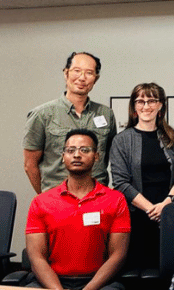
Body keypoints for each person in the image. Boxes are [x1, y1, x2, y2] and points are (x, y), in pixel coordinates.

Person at [24, 129, 130, 290]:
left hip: (99, 282)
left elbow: (118, 256)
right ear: (63, 156)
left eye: (85, 150)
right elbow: (36, 257)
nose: (77, 155)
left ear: (96, 156)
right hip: (51, 281)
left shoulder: (115, 200)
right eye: (70, 150)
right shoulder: (41, 202)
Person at [110, 83, 174, 270]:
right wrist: (151, 209)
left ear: (160, 105)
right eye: (141, 101)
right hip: (136, 217)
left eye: (152, 100)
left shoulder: (172, 138)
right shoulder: (122, 140)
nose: (146, 106)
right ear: (134, 106)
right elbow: (120, 183)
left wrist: (166, 204)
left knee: (168, 270)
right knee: (137, 272)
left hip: (169, 215)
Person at [24, 51, 117, 193]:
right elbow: (30, 164)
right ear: (66, 73)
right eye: (77, 71)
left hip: (98, 198)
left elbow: (110, 157)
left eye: (89, 73)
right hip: (57, 198)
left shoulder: (106, 114)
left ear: (95, 79)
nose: (82, 78)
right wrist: (46, 197)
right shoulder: (42, 114)